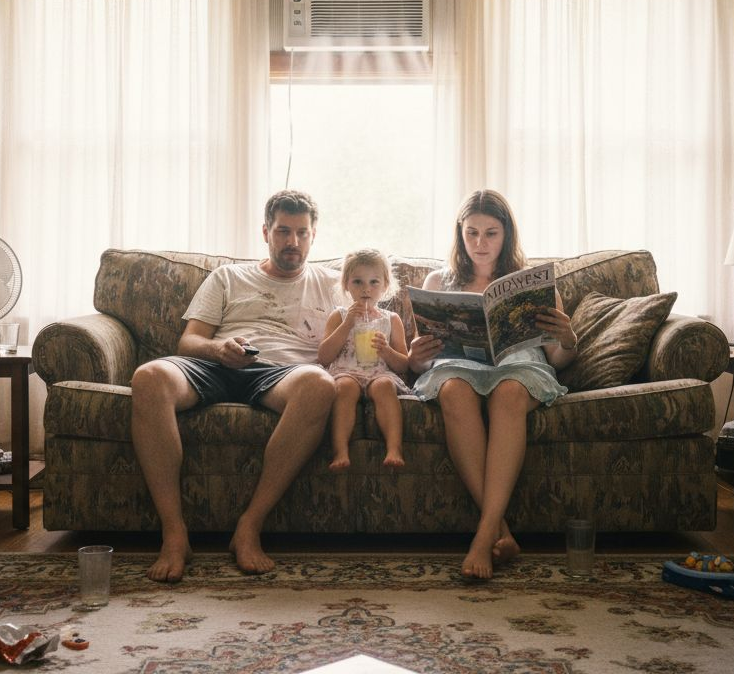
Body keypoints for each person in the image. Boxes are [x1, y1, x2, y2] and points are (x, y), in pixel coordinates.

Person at [129, 190, 340, 582]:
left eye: (301, 233)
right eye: (282, 231)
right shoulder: (228, 277)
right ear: (265, 232)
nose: (292, 242)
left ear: (314, 235)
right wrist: (218, 348)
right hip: (217, 365)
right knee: (148, 377)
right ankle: (174, 532)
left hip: (282, 373)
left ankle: (249, 526)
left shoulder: (333, 285)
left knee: (319, 384)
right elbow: (188, 342)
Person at [408, 190, 579, 579]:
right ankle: (500, 531)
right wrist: (417, 356)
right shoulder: (440, 280)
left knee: (509, 393)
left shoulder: (532, 286)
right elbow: (419, 362)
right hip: (458, 367)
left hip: (518, 368)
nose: (480, 244)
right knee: (452, 389)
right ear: (459, 234)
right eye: (471, 233)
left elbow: (558, 358)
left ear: (507, 236)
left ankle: (484, 536)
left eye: (491, 233)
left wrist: (569, 338)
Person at [318, 248, 411, 470]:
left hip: (379, 373)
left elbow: (403, 364)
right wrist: (347, 324)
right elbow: (324, 357)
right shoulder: (340, 316)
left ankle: (394, 448)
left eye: (374, 282)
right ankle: (340, 451)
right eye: (358, 282)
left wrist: (386, 351)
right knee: (344, 387)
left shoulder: (391, 319)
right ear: (346, 285)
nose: (366, 289)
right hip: (346, 372)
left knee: (385, 386)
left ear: (386, 286)